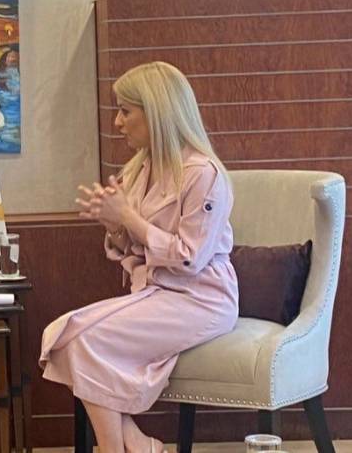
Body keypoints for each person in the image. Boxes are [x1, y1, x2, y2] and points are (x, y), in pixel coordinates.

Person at [39, 61, 238, 453]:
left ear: (156, 112)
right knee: (63, 337)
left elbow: (190, 258)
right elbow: (130, 248)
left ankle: (126, 448)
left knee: (84, 341)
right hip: (154, 293)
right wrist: (113, 224)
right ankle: (138, 447)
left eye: (125, 111)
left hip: (200, 299)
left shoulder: (203, 174)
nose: (117, 122)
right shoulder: (138, 169)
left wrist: (128, 217)